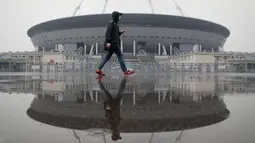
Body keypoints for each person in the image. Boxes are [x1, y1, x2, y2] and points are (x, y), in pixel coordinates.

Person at [96, 11, 135, 76]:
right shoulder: (111, 23)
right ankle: (125, 71)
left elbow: (115, 35)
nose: (120, 17)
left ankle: (98, 69)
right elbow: (108, 33)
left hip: (112, 44)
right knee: (120, 56)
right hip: (113, 44)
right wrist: (108, 42)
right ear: (116, 16)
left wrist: (120, 32)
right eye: (119, 16)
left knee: (107, 57)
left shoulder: (115, 24)